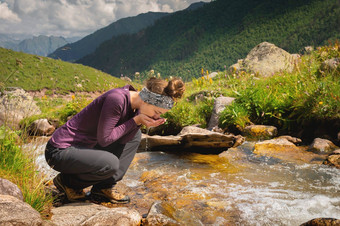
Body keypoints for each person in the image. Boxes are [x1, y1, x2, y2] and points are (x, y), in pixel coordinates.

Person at [45, 77, 185, 203]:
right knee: (110, 163)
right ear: (146, 100)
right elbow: (105, 139)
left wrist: (138, 122)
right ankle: (67, 182)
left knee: (135, 136)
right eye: (157, 112)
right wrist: (135, 120)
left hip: (85, 148)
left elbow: (124, 139)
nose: (156, 117)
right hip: (59, 151)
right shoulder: (116, 99)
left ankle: (104, 187)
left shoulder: (136, 107)